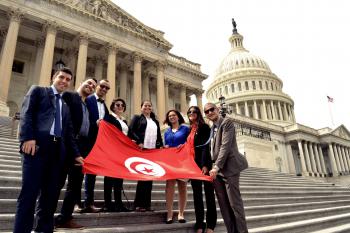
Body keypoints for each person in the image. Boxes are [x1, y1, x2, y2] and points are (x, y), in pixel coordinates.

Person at [13, 67, 82, 233]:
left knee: (50, 196)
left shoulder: (65, 106)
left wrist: (77, 154)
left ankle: (44, 229)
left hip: (57, 153)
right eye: (62, 77)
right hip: (36, 148)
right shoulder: (39, 91)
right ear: (53, 77)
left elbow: (69, 133)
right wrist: (28, 137)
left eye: (68, 80)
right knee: (29, 194)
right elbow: (26, 113)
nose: (64, 81)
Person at [54, 77, 97, 228]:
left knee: (75, 185)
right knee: (57, 182)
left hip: (81, 147)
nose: (91, 86)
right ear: (81, 83)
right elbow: (62, 120)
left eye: (93, 86)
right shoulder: (69, 96)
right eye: (89, 83)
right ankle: (46, 216)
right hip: (67, 145)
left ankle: (65, 217)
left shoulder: (86, 105)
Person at [204, 103, 248, 233]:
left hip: (229, 169)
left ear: (218, 110)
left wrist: (216, 166)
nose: (210, 112)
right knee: (224, 206)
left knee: (235, 205)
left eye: (212, 109)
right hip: (216, 172)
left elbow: (225, 146)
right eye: (207, 111)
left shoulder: (227, 123)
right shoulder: (212, 128)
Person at [80, 79, 110, 213]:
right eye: (102, 86)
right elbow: (82, 118)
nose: (104, 89)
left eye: (107, 88)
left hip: (97, 143)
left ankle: (89, 202)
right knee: (78, 173)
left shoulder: (105, 107)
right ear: (97, 86)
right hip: (85, 140)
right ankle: (75, 202)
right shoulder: (88, 99)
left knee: (91, 174)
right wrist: (94, 123)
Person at [128, 100, 163, 212]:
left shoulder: (155, 121)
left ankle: (147, 204)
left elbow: (159, 137)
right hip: (142, 150)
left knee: (150, 178)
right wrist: (138, 141)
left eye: (149, 105)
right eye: (145, 105)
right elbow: (131, 131)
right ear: (141, 107)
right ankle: (138, 204)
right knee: (142, 177)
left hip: (152, 151)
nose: (147, 107)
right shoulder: (137, 118)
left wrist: (160, 146)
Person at [186, 106, 217, 233]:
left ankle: (211, 225)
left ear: (198, 114)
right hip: (193, 166)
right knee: (197, 196)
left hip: (204, 164)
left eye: (194, 112)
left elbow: (205, 146)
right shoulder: (190, 130)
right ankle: (199, 224)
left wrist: (205, 165)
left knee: (209, 195)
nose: (191, 113)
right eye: (189, 112)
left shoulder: (204, 127)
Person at [102, 98, 130, 212]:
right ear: (113, 106)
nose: (120, 107)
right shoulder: (109, 117)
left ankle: (119, 203)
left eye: (122, 105)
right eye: (117, 105)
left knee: (119, 178)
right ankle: (108, 203)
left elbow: (128, 134)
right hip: (111, 150)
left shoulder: (124, 121)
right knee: (109, 177)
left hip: (122, 151)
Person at [163, 110, 190, 224]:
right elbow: (165, 144)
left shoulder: (185, 129)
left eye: (174, 115)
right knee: (169, 186)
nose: (172, 117)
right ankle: (169, 213)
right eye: (169, 116)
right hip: (170, 160)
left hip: (183, 160)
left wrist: (184, 145)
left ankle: (181, 213)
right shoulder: (166, 132)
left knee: (182, 186)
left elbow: (190, 142)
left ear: (178, 117)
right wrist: (165, 146)